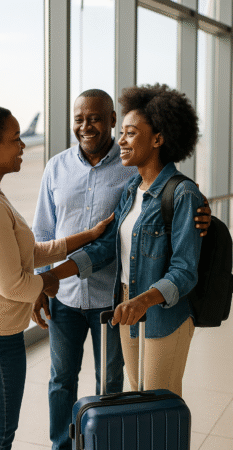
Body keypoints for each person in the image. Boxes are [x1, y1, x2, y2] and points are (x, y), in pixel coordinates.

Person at [32, 89, 211, 449]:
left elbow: (185, 270)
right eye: (124, 132)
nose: (123, 141)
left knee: (159, 405)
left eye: (131, 132)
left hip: (160, 312)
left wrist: (143, 300)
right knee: (137, 405)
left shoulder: (183, 194)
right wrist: (52, 276)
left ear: (158, 138)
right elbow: (103, 248)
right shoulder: (133, 188)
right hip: (127, 305)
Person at [0, 105, 114, 450]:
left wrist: (85, 235)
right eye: (15, 139)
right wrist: (50, 282)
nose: (22, 145)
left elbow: (28, 252)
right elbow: (13, 285)